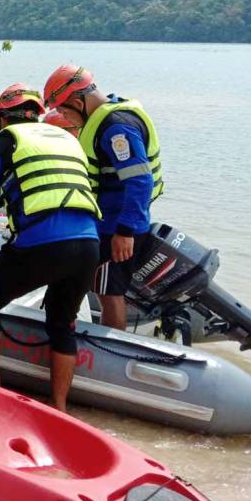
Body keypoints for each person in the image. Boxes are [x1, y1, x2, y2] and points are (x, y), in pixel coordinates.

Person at [0, 85, 102, 411]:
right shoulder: (69, 139)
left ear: (1, 118)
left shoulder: (0, 143)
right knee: (62, 322)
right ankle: (59, 406)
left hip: (42, 244)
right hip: (88, 243)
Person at [43, 65, 164, 331]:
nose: (64, 117)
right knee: (102, 288)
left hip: (117, 228)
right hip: (108, 223)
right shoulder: (104, 121)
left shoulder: (116, 128)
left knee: (110, 294)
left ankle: (113, 349)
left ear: (77, 101)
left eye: (63, 110)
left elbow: (140, 180)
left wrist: (125, 231)